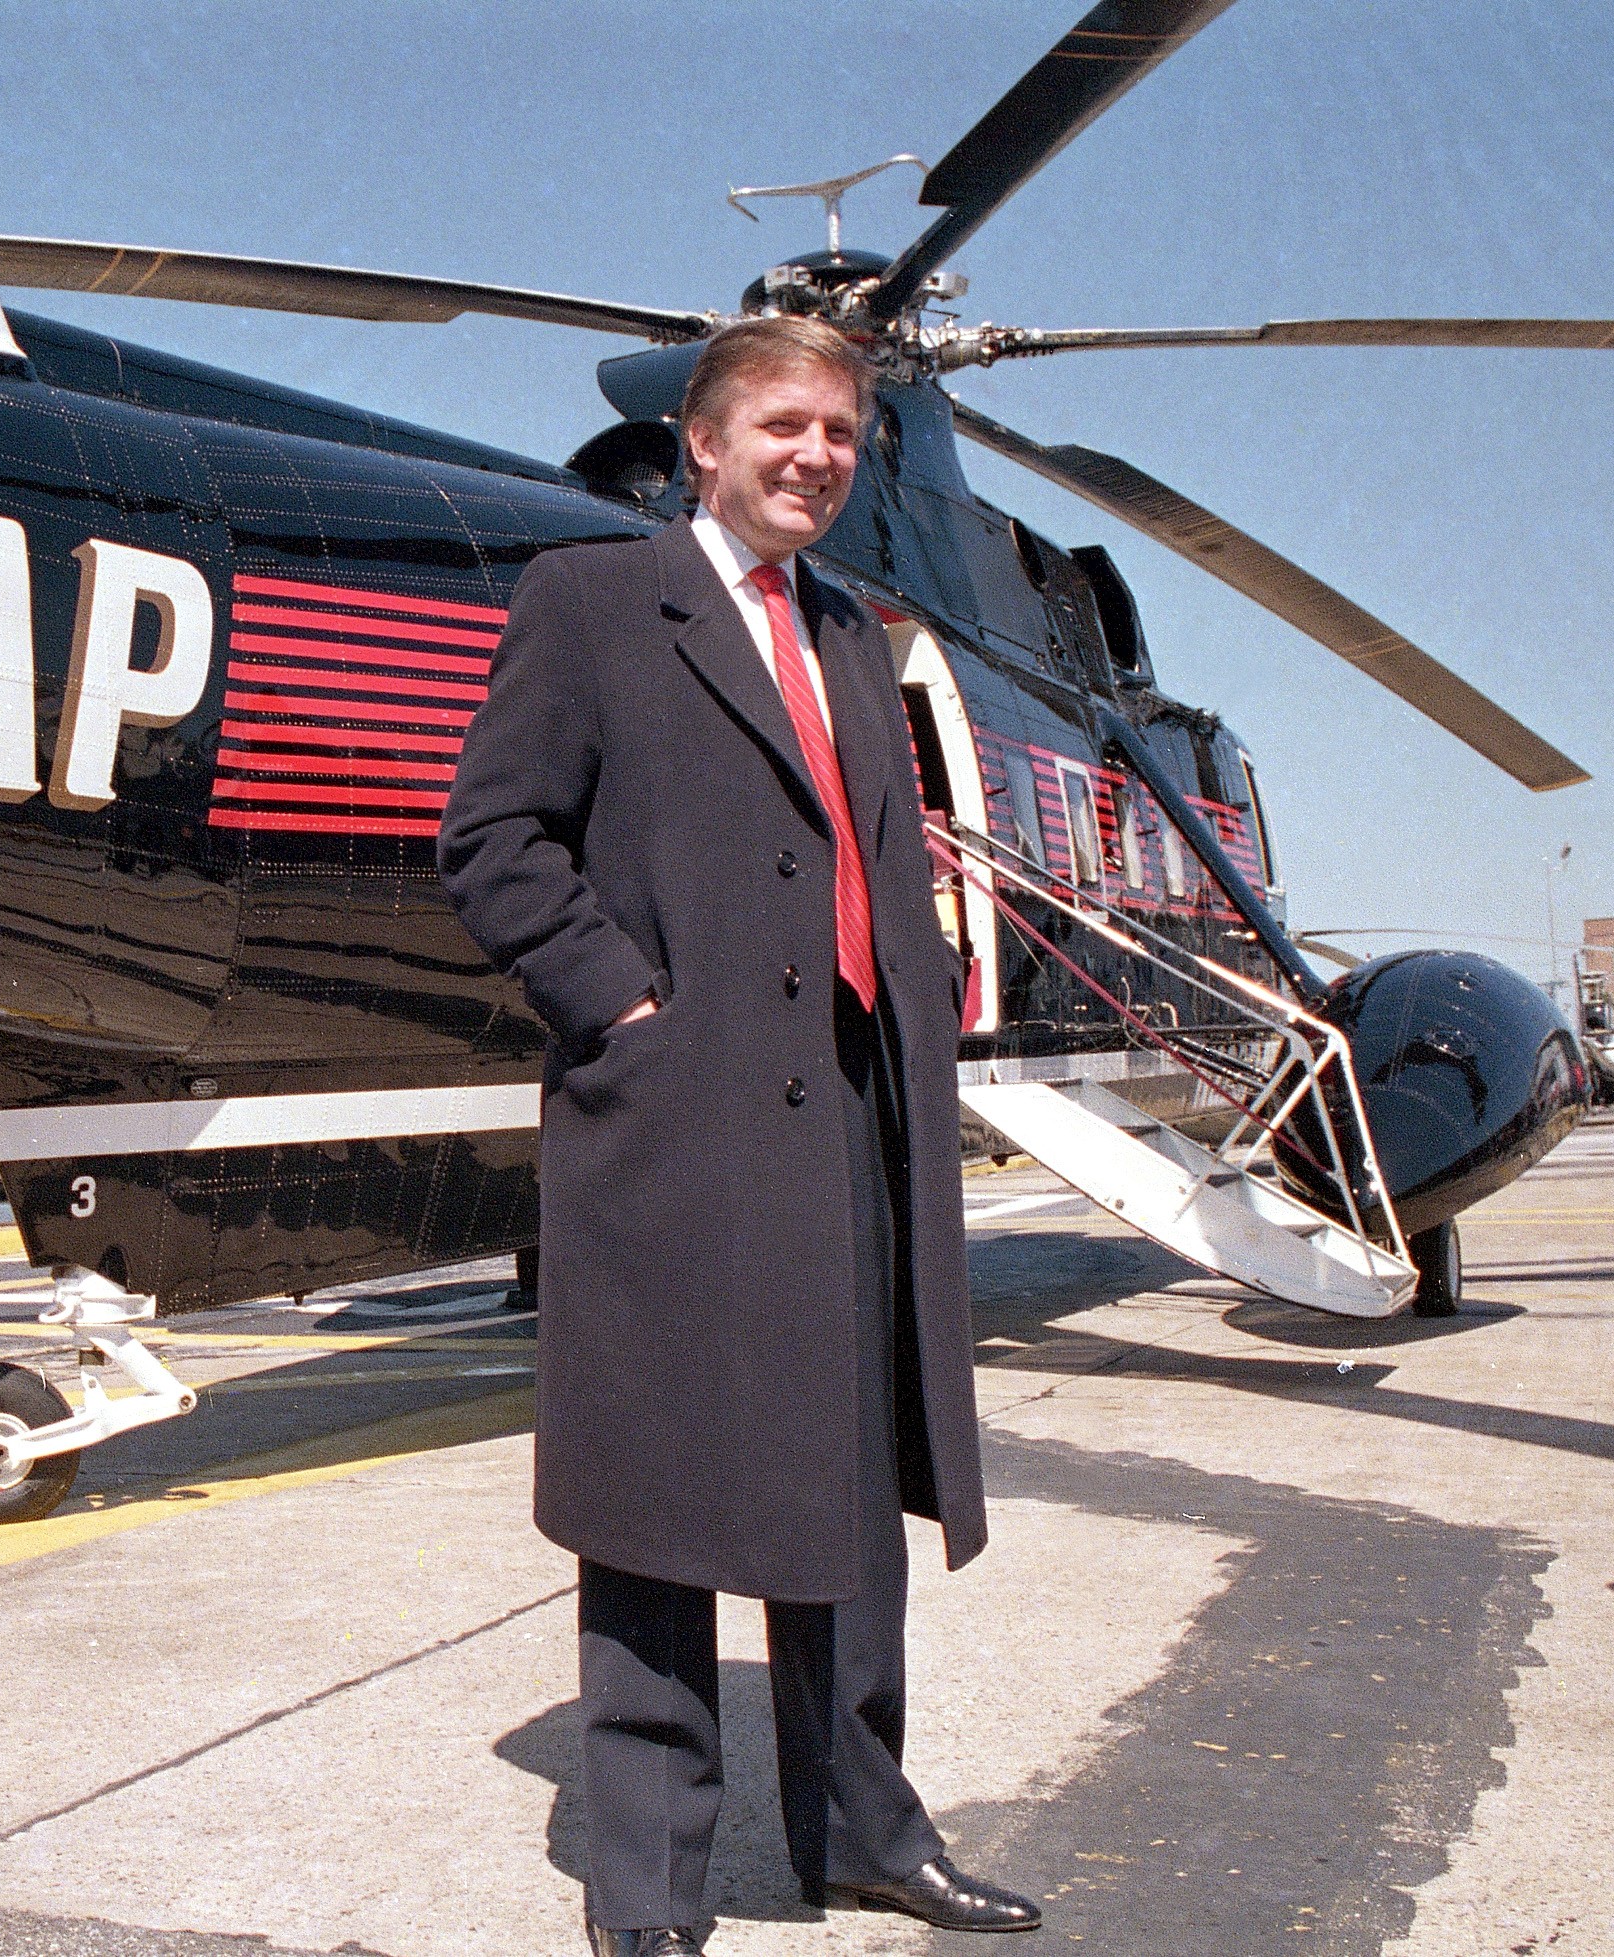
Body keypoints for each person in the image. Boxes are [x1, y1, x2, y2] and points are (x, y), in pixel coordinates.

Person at [438, 314, 1040, 1948]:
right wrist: (625, 1009)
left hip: (846, 1119)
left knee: (846, 1498)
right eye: (783, 425)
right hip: (677, 1126)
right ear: (700, 444)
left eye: (840, 432)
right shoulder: (590, 603)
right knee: (656, 1513)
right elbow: (489, 836)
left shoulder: (849, 629)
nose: (815, 456)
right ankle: (649, 1894)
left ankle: (861, 1827)